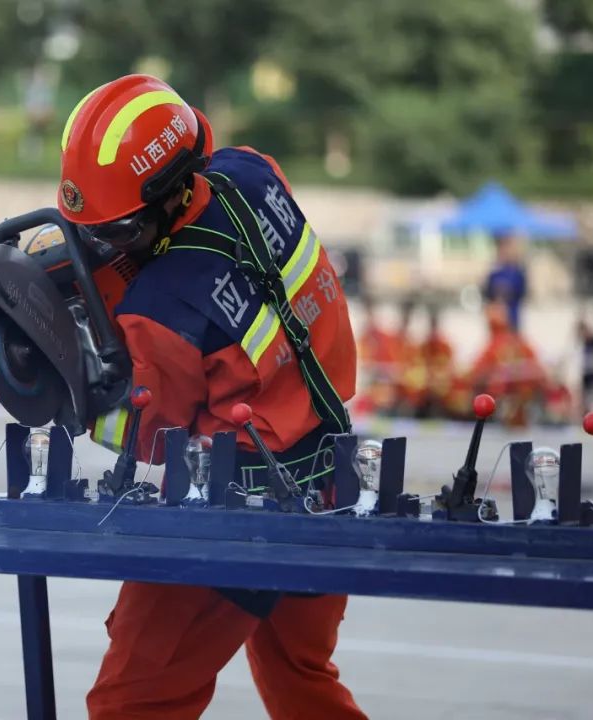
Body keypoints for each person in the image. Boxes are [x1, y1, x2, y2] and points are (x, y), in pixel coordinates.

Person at [57, 74, 364, 720]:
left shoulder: (163, 310)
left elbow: (146, 430)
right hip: (333, 476)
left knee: (131, 704)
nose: (104, 246)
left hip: (237, 513)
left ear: (165, 200)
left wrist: (60, 373)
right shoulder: (251, 173)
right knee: (300, 679)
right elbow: (217, 252)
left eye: (118, 232)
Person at [483, 231, 527, 332]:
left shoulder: (517, 272)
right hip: (496, 319)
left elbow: (522, 291)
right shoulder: (494, 271)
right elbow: (487, 292)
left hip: (512, 318)